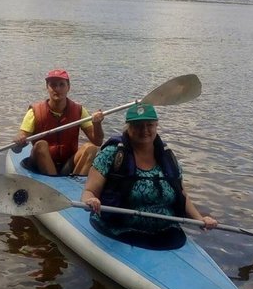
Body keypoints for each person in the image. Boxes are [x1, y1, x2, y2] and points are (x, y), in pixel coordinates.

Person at [81, 102, 217, 249]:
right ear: (128, 127)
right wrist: (91, 201)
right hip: (118, 231)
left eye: (149, 125)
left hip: (167, 234)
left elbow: (182, 195)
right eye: (138, 125)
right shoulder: (112, 153)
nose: (144, 130)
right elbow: (89, 191)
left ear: (156, 126)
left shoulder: (167, 157)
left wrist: (200, 220)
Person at [14, 69, 104, 175]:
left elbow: (97, 141)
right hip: (40, 164)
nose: (57, 89)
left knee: (91, 148)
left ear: (68, 87)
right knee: (41, 145)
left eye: (62, 85)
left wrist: (97, 124)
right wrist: (18, 142)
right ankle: (52, 181)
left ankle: (76, 183)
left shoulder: (79, 110)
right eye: (53, 85)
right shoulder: (34, 112)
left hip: (67, 164)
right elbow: (17, 148)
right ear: (47, 87)